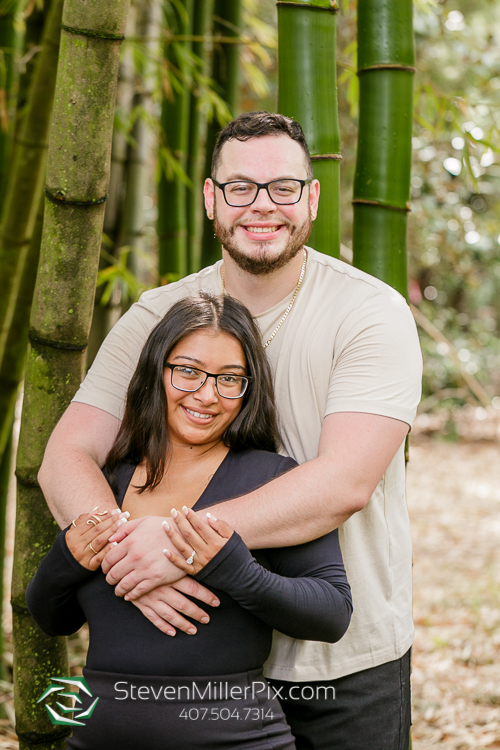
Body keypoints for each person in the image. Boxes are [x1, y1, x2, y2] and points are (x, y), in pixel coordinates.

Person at [38, 111, 422, 750]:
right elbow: (66, 456)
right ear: (212, 199)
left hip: (339, 664)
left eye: (283, 188)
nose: (261, 206)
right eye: (240, 188)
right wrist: (125, 555)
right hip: (192, 667)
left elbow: (343, 483)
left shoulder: (369, 313)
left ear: (312, 199)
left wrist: (175, 544)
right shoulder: (156, 316)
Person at [27, 293, 352, 750]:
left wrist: (229, 567)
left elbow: (331, 612)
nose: (207, 395)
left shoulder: (269, 478)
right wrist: (69, 557)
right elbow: (51, 617)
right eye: (188, 371)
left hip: (235, 739)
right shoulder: (109, 481)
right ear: (156, 371)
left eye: (229, 379)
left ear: (248, 389)